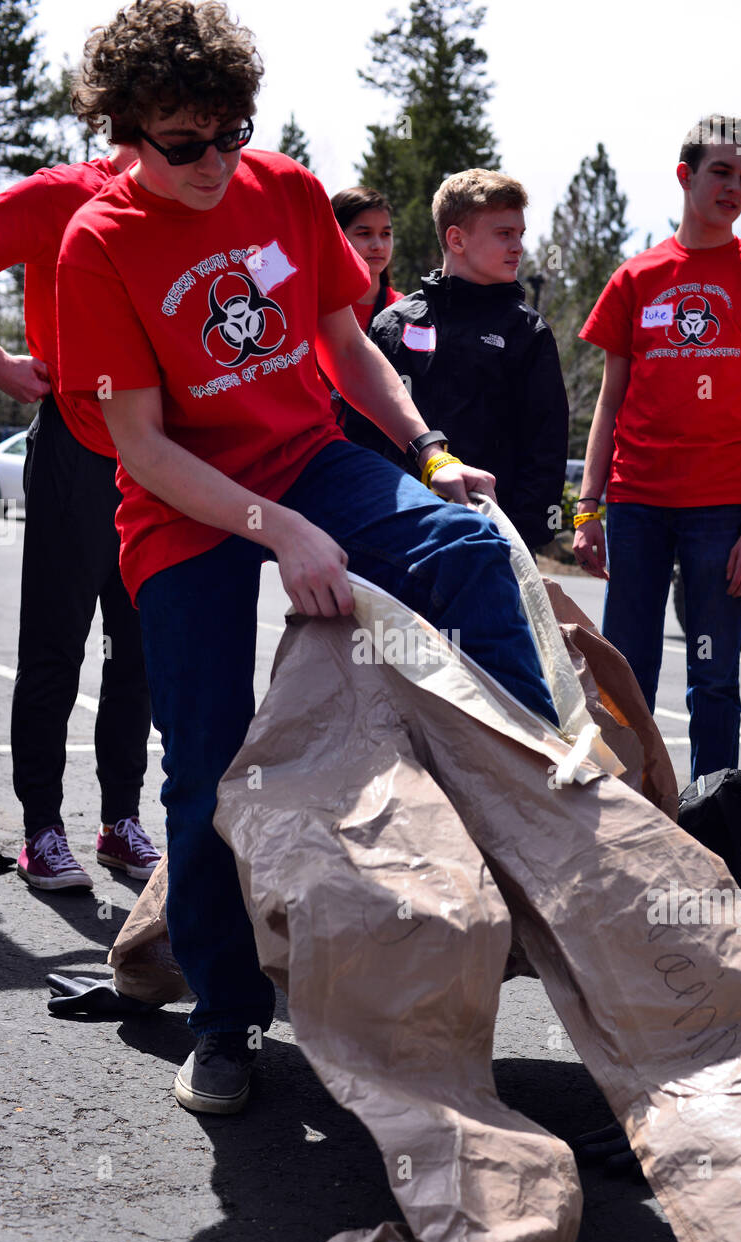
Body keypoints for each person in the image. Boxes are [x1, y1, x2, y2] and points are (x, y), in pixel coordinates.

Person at [55, 0, 560, 1115]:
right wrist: (280, 533)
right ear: (127, 133)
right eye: (183, 143)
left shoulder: (280, 189)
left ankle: (534, 816)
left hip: (309, 453)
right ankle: (227, 1017)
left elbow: (344, 345)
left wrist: (428, 453)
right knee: (207, 756)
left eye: (230, 130)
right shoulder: (96, 244)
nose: (213, 160)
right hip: (185, 504)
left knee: (469, 545)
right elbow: (139, 442)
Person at [574, 115, 741, 780]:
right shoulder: (635, 279)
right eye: (720, 172)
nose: (734, 187)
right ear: (684, 175)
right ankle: (632, 822)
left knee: (713, 679)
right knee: (623, 676)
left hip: (722, 513)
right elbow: (608, 401)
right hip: (636, 505)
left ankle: (714, 835)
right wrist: (587, 508)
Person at [0, 148, 162, 890]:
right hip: (76, 452)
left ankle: (121, 822)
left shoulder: (196, 198)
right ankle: (41, 830)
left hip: (159, 457)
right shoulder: (63, 192)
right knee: (55, 650)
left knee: (137, 653)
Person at [360, 168, 568, 554]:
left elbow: (546, 447)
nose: (518, 247)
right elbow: (361, 432)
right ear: (456, 239)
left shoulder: (528, 331)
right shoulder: (393, 323)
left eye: (520, 234)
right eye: (504, 233)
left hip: (489, 536)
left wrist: (521, 537)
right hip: (394, 529)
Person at [331, 186, 403, 334]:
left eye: (385, 233)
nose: (378, 246)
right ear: (336, 237)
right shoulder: (316, 308)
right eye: (364, 233)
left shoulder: (403, 310)